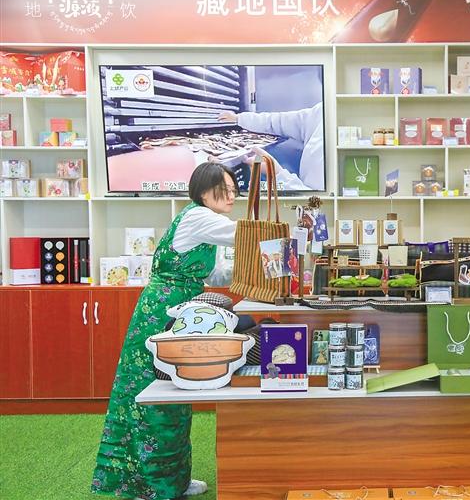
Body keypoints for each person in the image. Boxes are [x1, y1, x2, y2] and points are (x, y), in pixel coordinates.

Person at [92, 163, 239, 500]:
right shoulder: (199, 216)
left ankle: (173, 481)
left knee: (175, 395)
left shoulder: (203, 221)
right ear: (204, 192)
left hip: (178, 309)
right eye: (225, 190)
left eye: (234, 190)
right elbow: (243, 234)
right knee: (154, 396)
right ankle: (149, 485)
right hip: (162, 311)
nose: (232, 196)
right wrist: (288, 231)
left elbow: (215, 275)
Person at [218, 102, 324, 191]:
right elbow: (278, 121)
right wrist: (239, 118)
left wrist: (277, 173)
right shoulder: (322, 111)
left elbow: (318, 203)